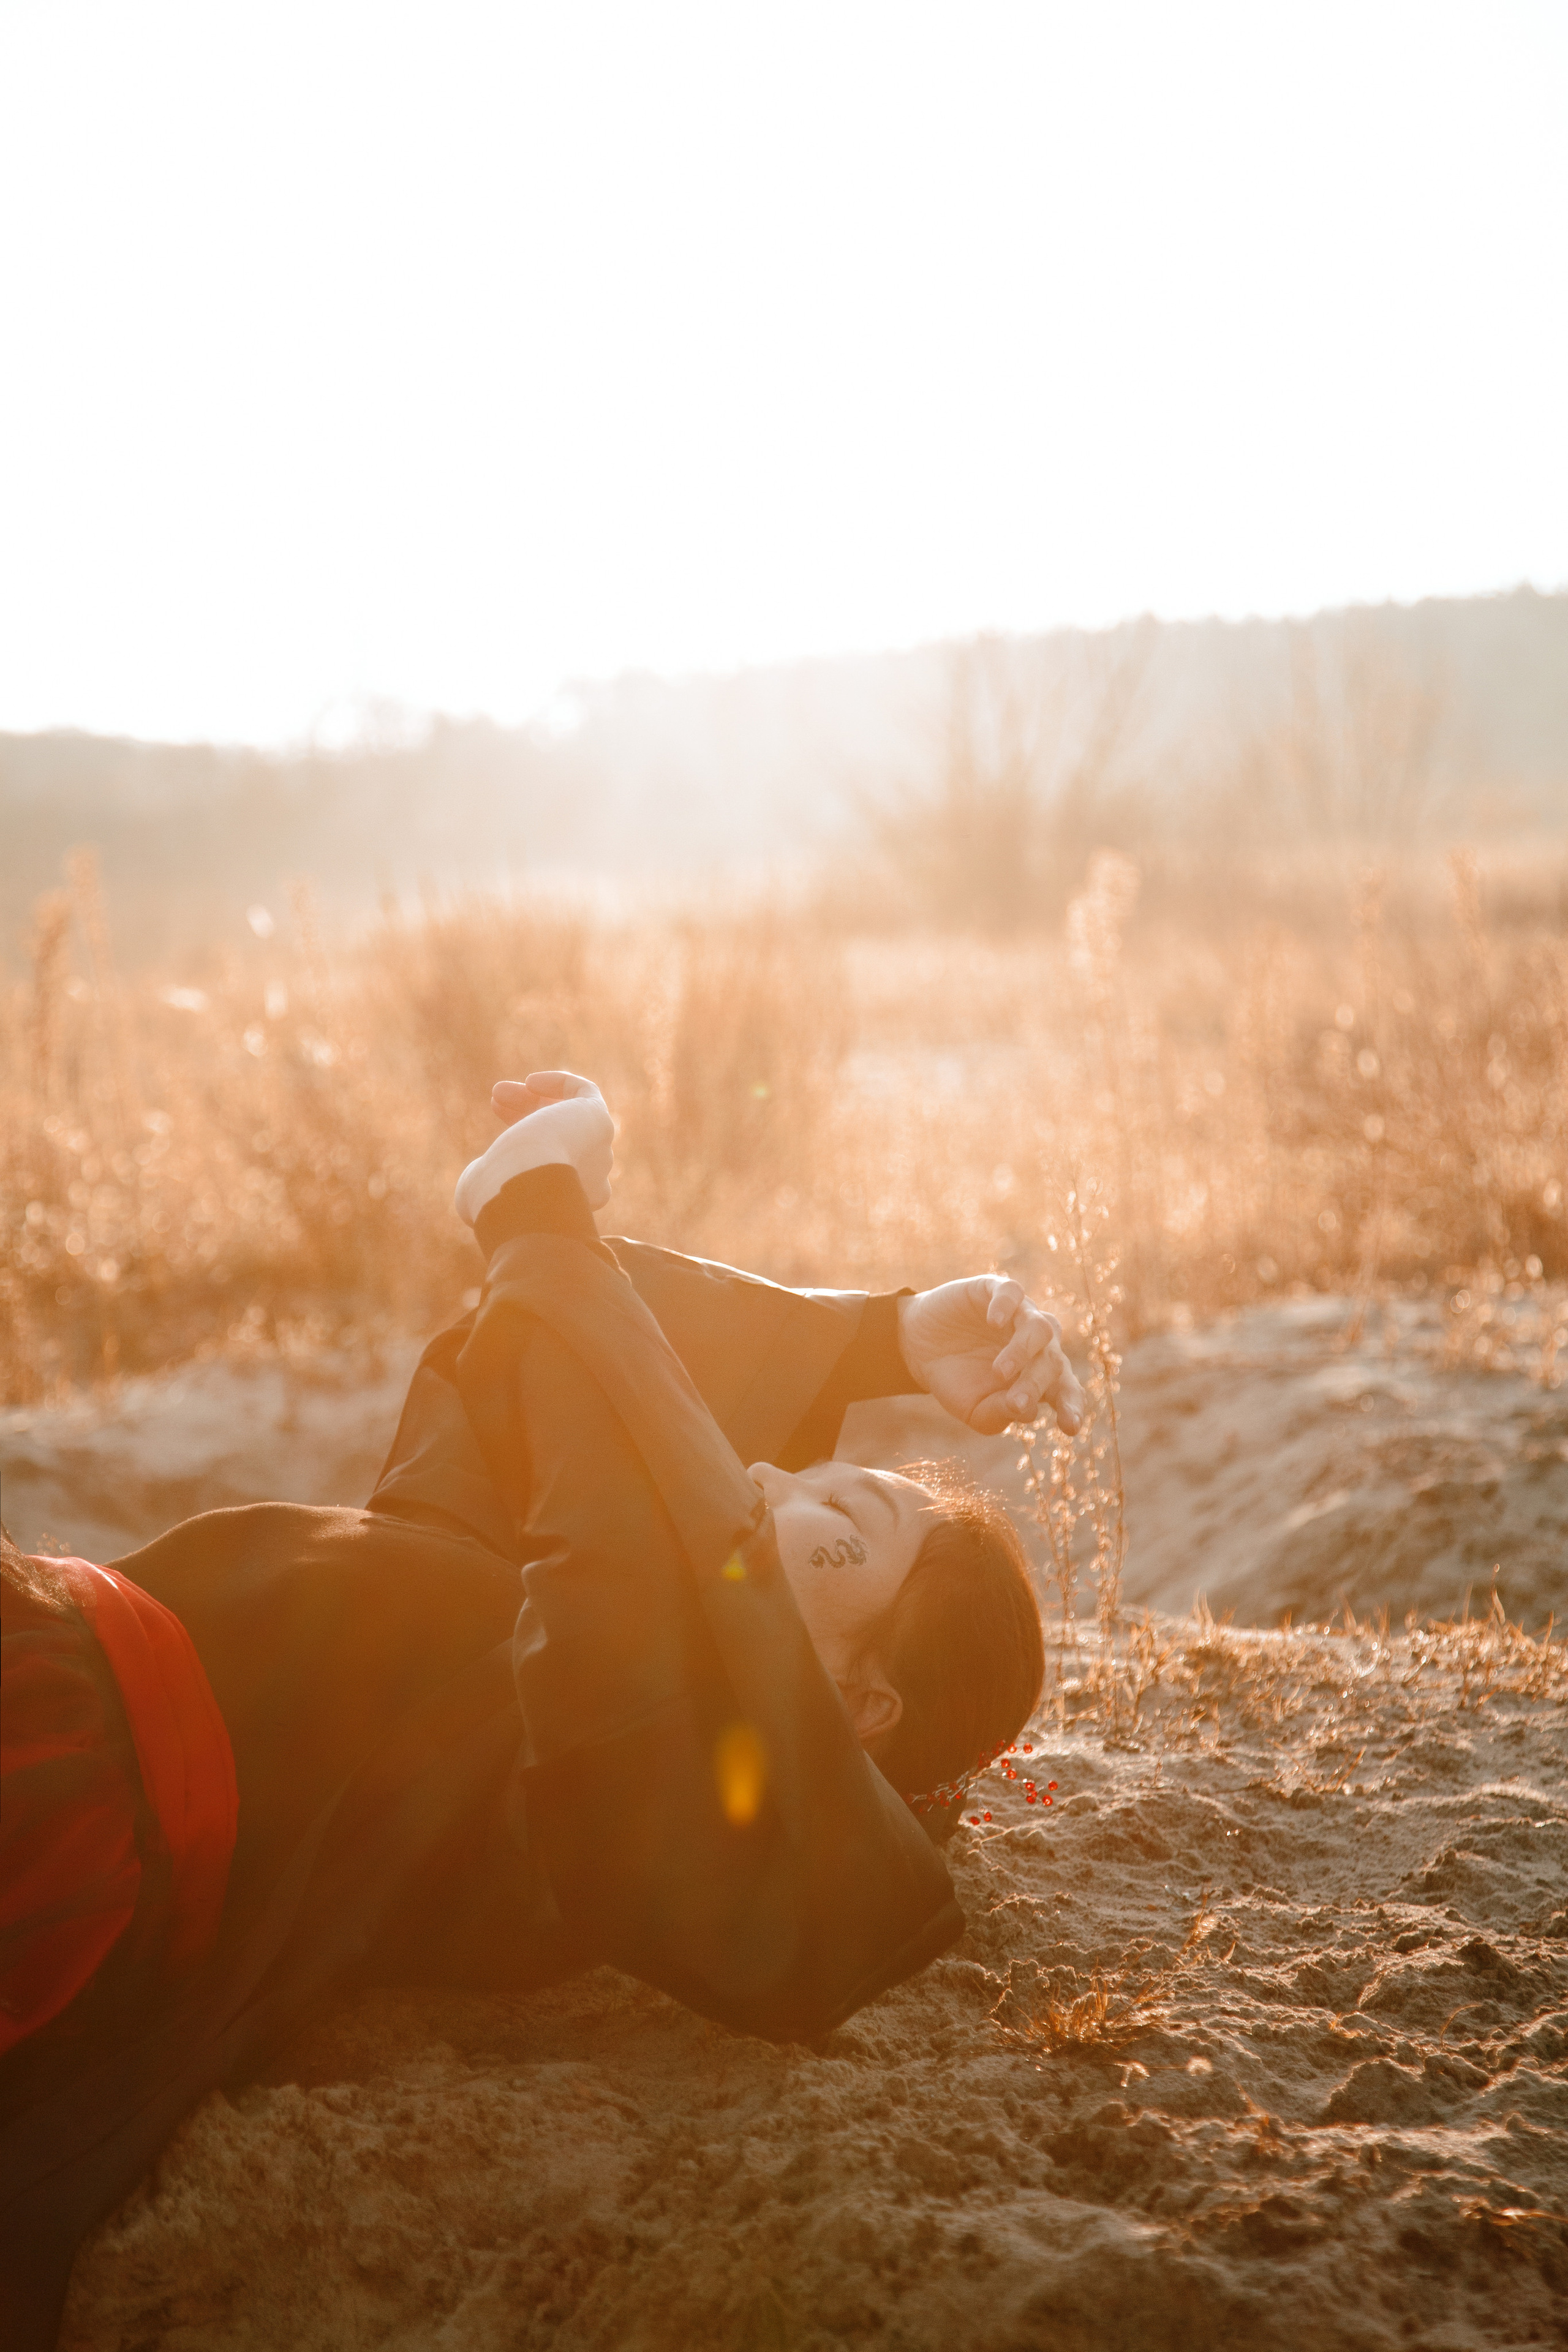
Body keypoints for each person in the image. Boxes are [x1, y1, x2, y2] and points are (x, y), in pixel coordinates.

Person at [1, 1070, 1083, 2348]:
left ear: (866, 1701)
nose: (775, 1469)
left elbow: (638, 1493)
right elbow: (546, 1409)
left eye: (839, 1515)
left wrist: (533, 1213)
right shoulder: (586, 1615)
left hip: (59, 1780)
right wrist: (885, 1340)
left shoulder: (636, 1746)